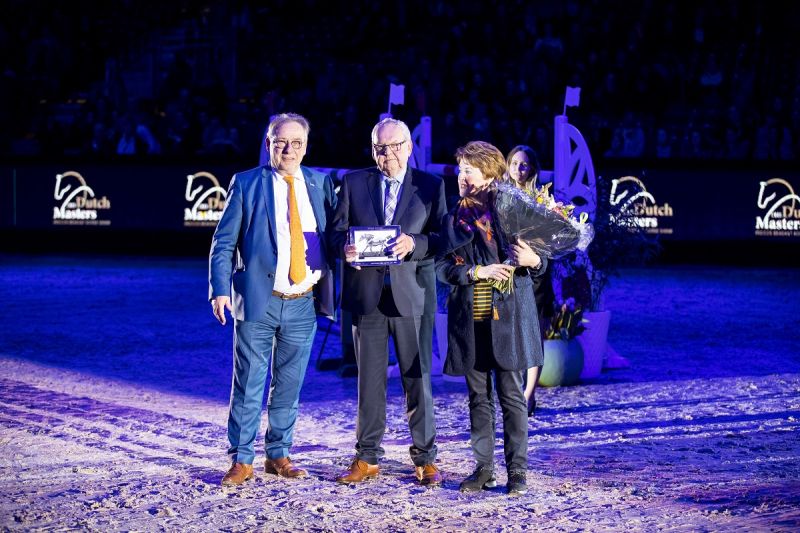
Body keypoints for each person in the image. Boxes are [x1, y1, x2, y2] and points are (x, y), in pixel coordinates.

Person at [209, 112, 337, 486]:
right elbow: (223, 242)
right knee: (248, 383)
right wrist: (219, 289)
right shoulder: (247, 183)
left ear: (306, 146)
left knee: (289, 384)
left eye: (297, 143)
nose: (289, 149)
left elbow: (332, 236)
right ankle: (241, 458)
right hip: (257, 301)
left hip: (303, 301)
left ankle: (278, 454)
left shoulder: (320, 183)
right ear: (268, 144)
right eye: (281, 142)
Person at [331, 117, 446, 486]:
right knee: (368, 381)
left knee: (417, 378)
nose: (388, 154)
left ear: (409, 148)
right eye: (381, 148)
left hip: (411, 295)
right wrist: (345, 249)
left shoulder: (431, 186)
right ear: (372, 150)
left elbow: (442, 238)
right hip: (367, 297)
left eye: (395, 146)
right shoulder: (353, 182)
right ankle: (367, 457)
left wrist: (415, 243)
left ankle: (425, 457)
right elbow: (335, 232)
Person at [436, 140, 547, 495]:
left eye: (468, 170)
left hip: (509, 311)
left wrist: (534, 261)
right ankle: (484, 469)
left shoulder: (513, 210)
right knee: (478, 396)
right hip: (472, 312)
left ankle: (517, 472)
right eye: (460, 170)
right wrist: (475, 272)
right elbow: (441, 267)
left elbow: (541, 262)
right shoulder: (453, 216)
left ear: (488, 174)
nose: (461, 176)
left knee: (511, 395)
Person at [504, 144, 555, 417]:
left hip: (535, 272)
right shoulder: (500, 196)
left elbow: (552, 238)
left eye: (523, 164)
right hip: (508, 272)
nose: (518, 169)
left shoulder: (543, 200)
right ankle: (514, 392)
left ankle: (529, 395)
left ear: (532, 168)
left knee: (534, 338)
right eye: (514, 163)